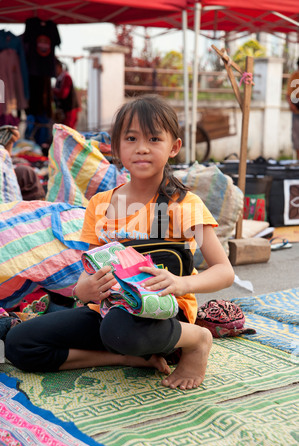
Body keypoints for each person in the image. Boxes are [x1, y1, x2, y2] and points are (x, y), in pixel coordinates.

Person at [5, 95, 235, 390]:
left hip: (159, 316)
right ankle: (127, 359)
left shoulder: (184, 205)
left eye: (154, 138)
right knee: (19, 342)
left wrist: (180, 284)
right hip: (107, 313)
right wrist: (83, 289)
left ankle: (197, 339)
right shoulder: (100, 204)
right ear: (117, 146)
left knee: (120, 330)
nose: (141, 148)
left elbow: (224, 271)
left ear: (174, 147)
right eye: (131, 138)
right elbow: (89, 272)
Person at [53, 58, 80, 129]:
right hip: (65, 111)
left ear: (59, 67)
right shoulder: (59, 78)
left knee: (69, 131)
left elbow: (64, 94)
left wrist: (52, 91)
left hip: (70, 111)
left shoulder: (66, 77)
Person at [286, 57, 299, 160]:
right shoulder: (295, 76)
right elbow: (288, 95)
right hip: (297, 111)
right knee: (297, 139)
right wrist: (292, 106)